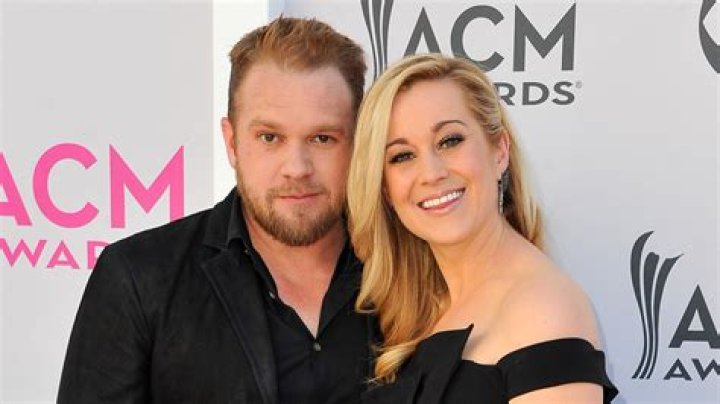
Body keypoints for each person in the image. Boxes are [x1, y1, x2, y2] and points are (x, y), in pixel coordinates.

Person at [58, 17, 375, 404]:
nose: (297, 167)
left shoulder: (408, 273)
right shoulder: (139, 279)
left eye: (322, 138)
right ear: (232, 142)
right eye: (269, 137)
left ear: (359, 143)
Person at [347, 53, 618, 403]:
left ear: (499, 151)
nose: (431, 173)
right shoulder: (424, 311)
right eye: (402, 156)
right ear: (385, 188)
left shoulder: (543, 310)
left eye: (450, 140)